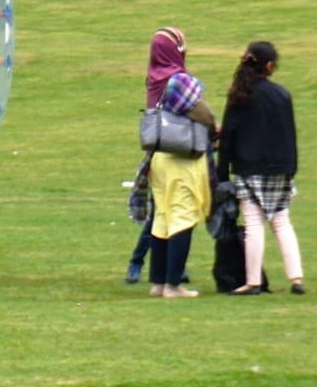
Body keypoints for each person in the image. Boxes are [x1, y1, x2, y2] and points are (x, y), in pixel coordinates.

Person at [218, 40, 304, 296]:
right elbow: (290, 134)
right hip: (281, 168)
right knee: (282, 222)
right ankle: (296, 277)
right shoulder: (282, 95)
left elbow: (228, 137)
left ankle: (253, 281)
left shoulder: (239, 96)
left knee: (254, 223)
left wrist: (222, 172)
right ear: (269, 66)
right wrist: (291, 167)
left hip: (249, 168)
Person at [147, 61, 215, 299]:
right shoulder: (193, 109)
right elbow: (210, 120)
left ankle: (157, 281)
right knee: (182, 219)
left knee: (162, 219)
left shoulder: (164, 108)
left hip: (160, 163)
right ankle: (173, 285)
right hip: (181, 166)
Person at [126, 27, 189, 283]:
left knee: (162, 211)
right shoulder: (178, 78)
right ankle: (144, 263)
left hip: (156, 152)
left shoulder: (154, 76)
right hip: (177, 151)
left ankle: (149, 264)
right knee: (173, 211)